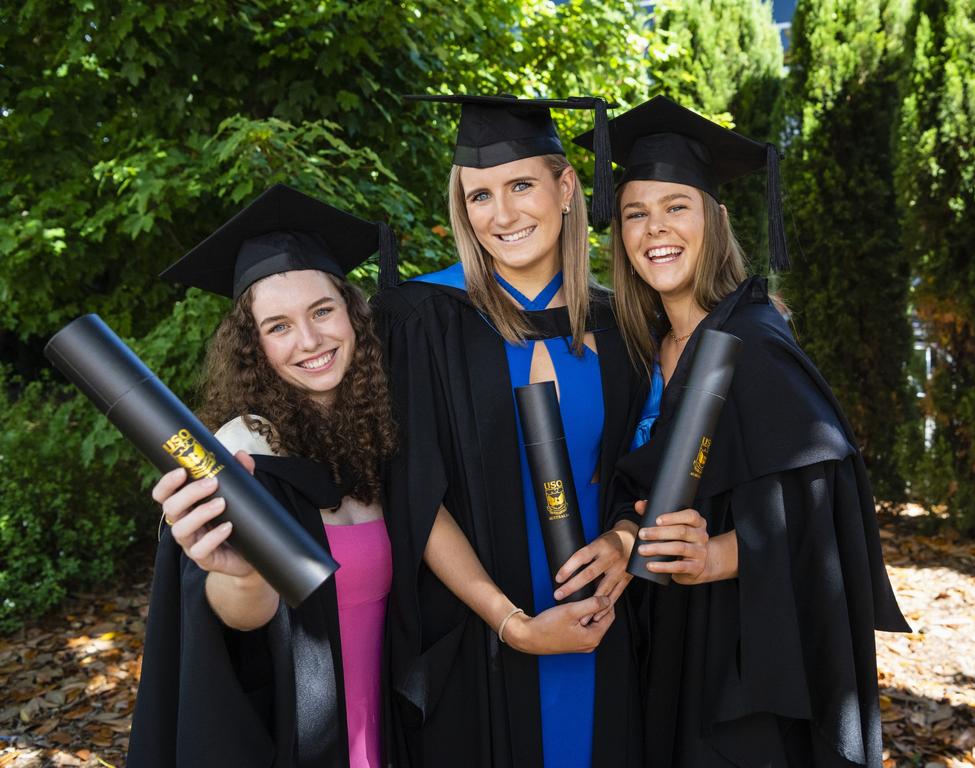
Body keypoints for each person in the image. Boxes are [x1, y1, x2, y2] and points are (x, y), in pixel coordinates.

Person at [574, 95, 911, 767]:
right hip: (658, 639)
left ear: (715, 220)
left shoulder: (752, 342)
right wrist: (622, 533)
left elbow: (830, 507)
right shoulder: (641, 349)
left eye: (677, 206)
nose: (653, 229)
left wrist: (722, 554)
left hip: (740, 656)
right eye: (635, 212)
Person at [373, 94, 646, 767]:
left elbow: (649, 467)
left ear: (566, 188)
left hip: (607, 631)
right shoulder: (421, 319)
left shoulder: (627, 328)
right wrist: (511, 624)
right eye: (479, 196)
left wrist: (625, 538)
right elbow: (412, 491)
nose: (501, 214)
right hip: (477, 643)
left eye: (521, 185)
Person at [127, 183, 399, 768]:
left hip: (393, 730)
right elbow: (232, 616)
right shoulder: (239, 454)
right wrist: (245, 572)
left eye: (322, 311)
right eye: (277, 326)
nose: (309, 340)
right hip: (300, 737)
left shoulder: (384, 434)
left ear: (352, 313)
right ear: (253, 346)